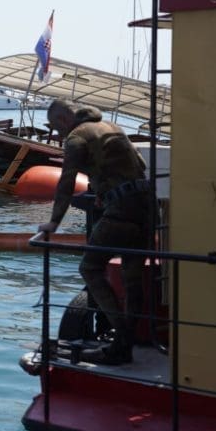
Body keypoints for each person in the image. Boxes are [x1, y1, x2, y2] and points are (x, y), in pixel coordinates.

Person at [37, 99, 150, 365]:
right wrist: (104, 190)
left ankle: (122, 339)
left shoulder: (77, 136)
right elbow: (139, 164)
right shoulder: (112, 127)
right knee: (132, 278)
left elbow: (66, 181)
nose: (57, 135)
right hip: (147, 206)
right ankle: (124, 345)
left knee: (89, 268)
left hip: (121, 210)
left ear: (63, 119)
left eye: (56, 128)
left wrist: (54, 223)